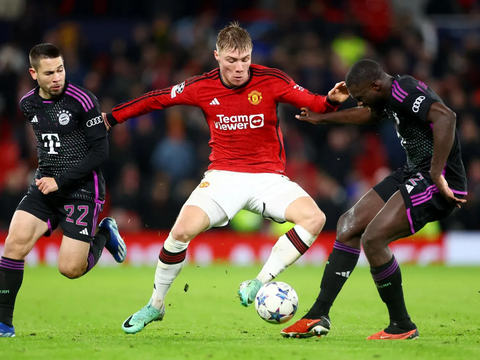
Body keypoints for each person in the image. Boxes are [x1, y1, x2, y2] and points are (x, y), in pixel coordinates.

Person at [101, 22, 349, 334]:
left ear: (251, 55)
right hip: (224, 177)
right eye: (231, 61)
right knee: (179, 232)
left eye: (245, 59)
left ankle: (260, 281)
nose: (239, 67)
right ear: (217, 56)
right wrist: (111, 118)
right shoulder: (202, 86)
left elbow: (314, 102)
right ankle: (156, 304)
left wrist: (331, 101)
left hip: (268, 178)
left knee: (314, 218)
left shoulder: (271, 80)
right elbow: (157, 98)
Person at [281, 59, 467, 340]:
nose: (360, 102)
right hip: (413, 171)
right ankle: (318, 313)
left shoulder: (404, 89)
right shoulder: (387, 95)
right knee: (347, 226)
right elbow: (369, 115)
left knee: (373, 239)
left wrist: (437, 171)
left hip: (438, 180)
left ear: (376, 85)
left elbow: (446, 117)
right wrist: (322, 119)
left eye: (360, 97)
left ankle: (402, 325)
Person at [0, 43, 127, 338]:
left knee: (70, 269)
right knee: (14, 243)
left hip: (82, 190)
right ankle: (4, 323)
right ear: (33, 74)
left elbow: (100, 152)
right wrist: (46, 176)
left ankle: (105, 233)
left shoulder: (83, 101)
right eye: (49, 72)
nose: (57, 77)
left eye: (61, 69)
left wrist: (62, 179)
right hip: (46, 186)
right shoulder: (27, 104)